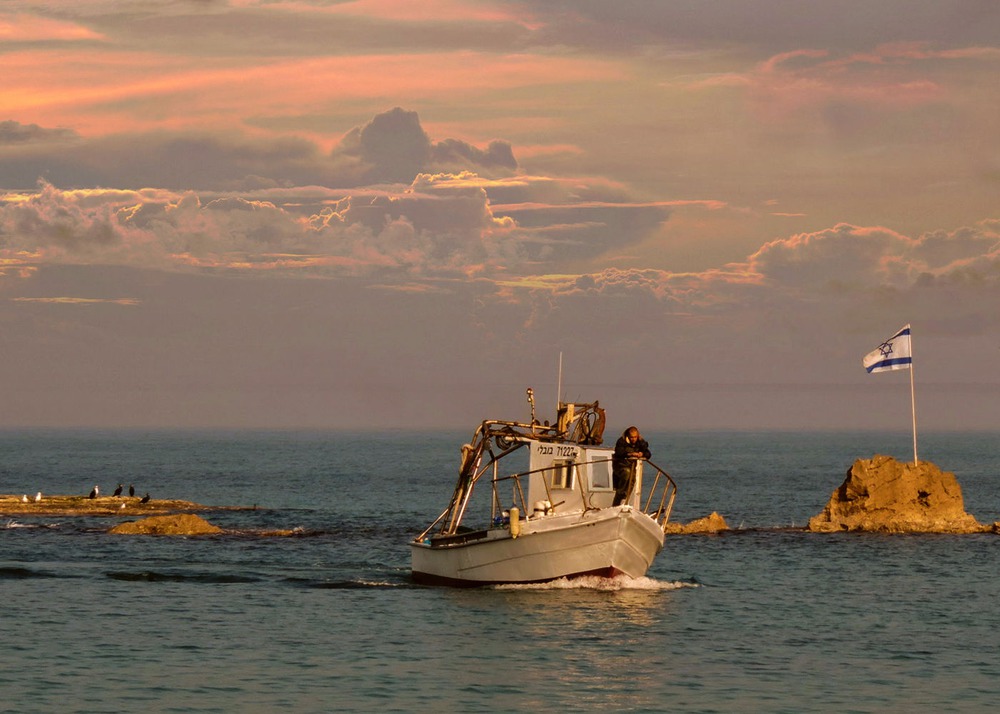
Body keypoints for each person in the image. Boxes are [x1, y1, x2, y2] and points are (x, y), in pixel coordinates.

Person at [612, 426, 650, 506]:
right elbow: (619, 452)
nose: (633, 439)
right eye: (632, 437)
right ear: (628, 436)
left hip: (632, 466)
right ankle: (617, 503)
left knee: (632, 481)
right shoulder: (621, 441)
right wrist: (630, 454)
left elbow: (648, 453)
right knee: (626, 474)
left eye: (635, 437)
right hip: (620, 465)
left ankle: (625, 501)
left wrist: (642, 454)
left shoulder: (640, 442)